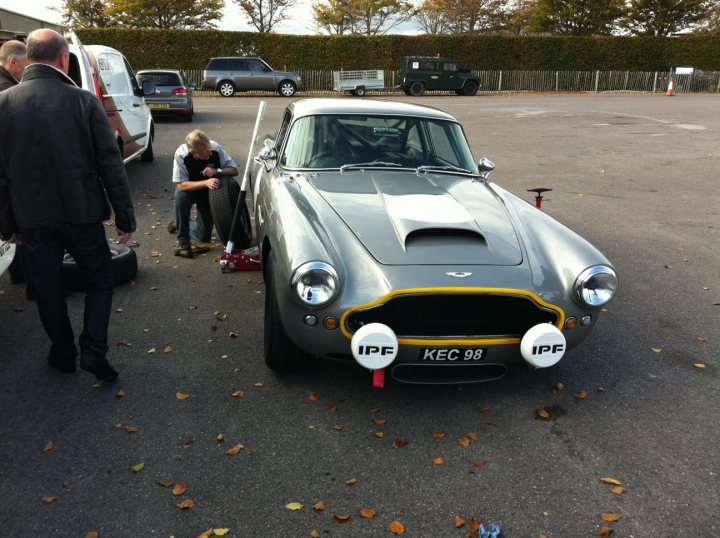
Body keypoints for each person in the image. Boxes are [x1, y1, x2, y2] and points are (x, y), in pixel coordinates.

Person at [0, 29, 136, 381]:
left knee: (47, 288)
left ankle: (62, 352)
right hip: (82, 213)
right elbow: (110, 162)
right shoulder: (83, 101)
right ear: (64, 58)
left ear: (28, 58)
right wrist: (124, 216)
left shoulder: (4, 104)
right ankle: (93, 349)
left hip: (31, 219)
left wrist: (7, 224)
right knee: (100, 281)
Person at [0, 40, 34, 296]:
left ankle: (19, 273)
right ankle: (35, 284)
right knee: (22, 229)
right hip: (13, 175)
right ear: (12, 62)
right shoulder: (6, 91)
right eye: (25, 66)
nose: (27, 71)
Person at [172, 129, 238, 258]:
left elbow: (234, 170)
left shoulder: (215, 148)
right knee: (180, 197)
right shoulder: (181, 154)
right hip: (190, 188)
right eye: (206, 152)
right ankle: (182, 241)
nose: (210, 152)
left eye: (209, 148)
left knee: (202, 237)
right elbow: (181, 185)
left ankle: (180, 223)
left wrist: (217, 171)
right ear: (194, 153)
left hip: (210, 192)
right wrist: (205, 182)